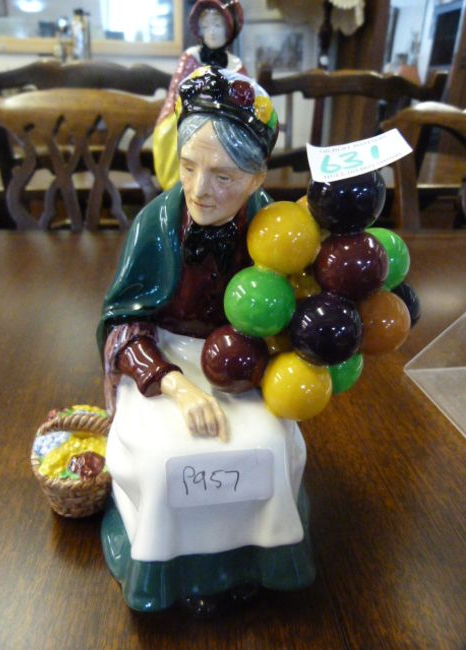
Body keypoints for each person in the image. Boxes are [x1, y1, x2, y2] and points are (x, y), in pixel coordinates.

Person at [98, 67, 315, 615]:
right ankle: (169, 574)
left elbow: (297, 302)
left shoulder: (275, 228)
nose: (199, 190)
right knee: (164, 458)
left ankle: (255, 563)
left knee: (268, 445)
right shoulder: (155, 225)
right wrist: (174, 386)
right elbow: (123, 325)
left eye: (223, 176)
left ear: (258, 177)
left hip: (244, 359)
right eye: (190, 167)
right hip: (164, 357)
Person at [153, 0, 246, 192]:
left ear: (228, 29)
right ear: (200, 30)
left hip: (223, 121)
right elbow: (176, 93)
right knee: (173, 131)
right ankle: (180, 185)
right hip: (191, 115)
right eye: (206, 26)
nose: (212, 32)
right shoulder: (191, 57)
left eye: (217, 25)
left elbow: (245, 102)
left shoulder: (236, 65)